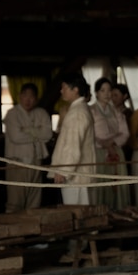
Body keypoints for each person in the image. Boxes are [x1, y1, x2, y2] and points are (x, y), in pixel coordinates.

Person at [3, 83, 53, 213]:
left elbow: (47, 134)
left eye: (31, 97)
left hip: (36, 160)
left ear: (36, 99)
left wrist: (27, 130)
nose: (28, 100)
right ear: (20, 96)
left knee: (34, 200)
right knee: (15, 201)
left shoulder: (41, 113)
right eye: (25, 96)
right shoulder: (12, 114)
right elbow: (16, 137)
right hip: (17, 162)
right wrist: (37, 132)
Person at [48, 73, 96, 206]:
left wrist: (64, 170)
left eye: (64, 88)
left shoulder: (77, 113)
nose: (61, 91)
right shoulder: (78, 109)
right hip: (78, 174)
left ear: (75, 90)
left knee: (78, 211)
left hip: (77, 177)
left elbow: (72, 145)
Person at [89, 77, 130, 210]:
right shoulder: (90, 111)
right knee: (101, 184)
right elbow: (87, 134)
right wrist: (103, 144)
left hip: (116, 151)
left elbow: (125, 133)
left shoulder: (116, 111)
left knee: (117, 184)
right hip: (98, 152)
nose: (107, 94)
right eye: (102, 90)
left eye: (109, 90)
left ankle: (118, 213)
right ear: (96, 93)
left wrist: (112, 143)